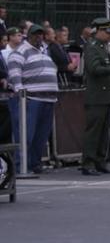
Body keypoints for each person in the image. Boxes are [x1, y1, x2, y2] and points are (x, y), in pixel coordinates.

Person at [8, 25, 59, 174]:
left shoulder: (44, 51)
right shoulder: (21, 51)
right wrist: (19, 91)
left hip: (47, 99)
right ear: (28, 36)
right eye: (36, 35)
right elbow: (14, 72)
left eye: (41, 35)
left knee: (41, 135)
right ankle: (20, 166)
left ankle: (34, 163)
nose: (39, 37)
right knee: (25, 134)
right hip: (30, 99)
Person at [81, 18, 110, 175]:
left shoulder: (102, 47)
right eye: (107, 32)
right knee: (94, 131)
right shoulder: (92, 47)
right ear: (98, 31)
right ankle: (88, 162)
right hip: (96, 96)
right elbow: (94, 69)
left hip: (105, 95)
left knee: (103, 132)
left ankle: (100, 160)